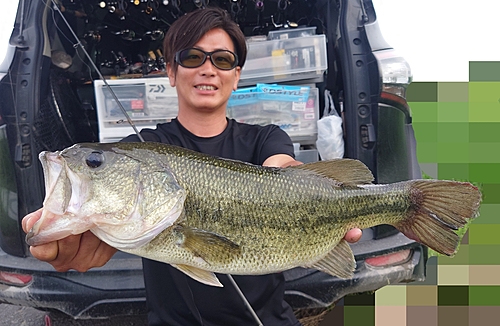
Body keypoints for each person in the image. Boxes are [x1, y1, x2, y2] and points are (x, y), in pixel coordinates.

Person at [22, 7, 362, 326]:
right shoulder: (139, 147)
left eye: (223, 59)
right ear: (171, 70)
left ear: (237, 74)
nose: (208, 68)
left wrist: (293, 177)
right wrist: (72, 233)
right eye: (192, 57)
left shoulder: (266, 138)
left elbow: (282, 166)